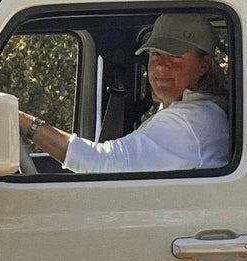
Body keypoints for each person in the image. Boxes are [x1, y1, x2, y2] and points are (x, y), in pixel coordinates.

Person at [18, 13, 231, 174]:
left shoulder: (191, 121)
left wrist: (24, 123)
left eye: (175, 56)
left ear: (203, 66)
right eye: (155, 54)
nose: (160, 66)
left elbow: (100, 163)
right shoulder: (200, 111)